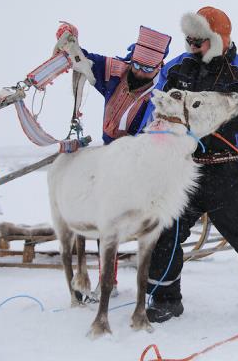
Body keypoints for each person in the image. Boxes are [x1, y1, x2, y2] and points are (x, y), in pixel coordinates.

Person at [142, 7, 238, 328]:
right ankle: (165, 298)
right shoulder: (176, 69)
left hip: (226, 171)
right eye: (189, 40)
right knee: (165, 233)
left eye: (198, 41)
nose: (192, 46)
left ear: (218, 39)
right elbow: (153, 111)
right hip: (181, 169)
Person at [55, 23, 172, 296]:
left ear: (160, 66)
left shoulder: (164, 92)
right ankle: (109, 281)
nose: (141, 72)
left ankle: (158, 284)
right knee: (106, 218)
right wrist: (68, 40)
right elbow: (79, 58)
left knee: (152, 224)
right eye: (138, 66)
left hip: (143, 162)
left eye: (148, 69)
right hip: (109, 160)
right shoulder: (115, 71)